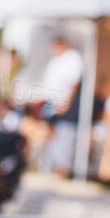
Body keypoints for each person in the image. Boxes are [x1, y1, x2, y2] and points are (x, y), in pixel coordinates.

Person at [38, 34, 85, 178]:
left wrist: (67, 102)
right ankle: (48, 166)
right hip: (52, 101)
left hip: (64, 102)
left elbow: (74, 82)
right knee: (49, 133)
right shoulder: (55, 61)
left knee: (64, 136)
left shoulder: (73, 58)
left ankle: (62, 170)